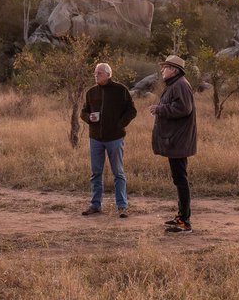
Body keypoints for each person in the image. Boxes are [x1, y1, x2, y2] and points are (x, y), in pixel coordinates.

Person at [79, 62, 137, 217]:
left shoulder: (120, 90)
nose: (96, 75)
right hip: (95, 138)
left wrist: (120, 124)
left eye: (99, 73)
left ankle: (122, 206)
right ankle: (95, 205)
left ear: (108, 74)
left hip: (115, 138)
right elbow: (83, 111)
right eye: (95, 73)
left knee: (118, 172)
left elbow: (132, 110)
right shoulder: (91, 92)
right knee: (96, 172)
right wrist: (88, 118)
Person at [148, 54, 197, 233]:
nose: (162, 70)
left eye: (165, 67)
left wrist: (159, 109)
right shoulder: (176, 84)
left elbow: (184, 109)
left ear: (174, 70)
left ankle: (185, 222)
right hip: (176, 140)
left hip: (179, 141)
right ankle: (181, 216)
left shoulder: (180, 85)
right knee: (179, 179)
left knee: (181, 180)